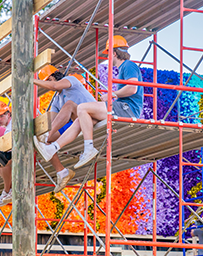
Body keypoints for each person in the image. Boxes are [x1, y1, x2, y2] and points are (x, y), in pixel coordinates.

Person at [34, 35, 143, 169]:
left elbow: (132, 88)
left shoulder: (128, 65)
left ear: (114, 53)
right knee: (79, 119)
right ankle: (53, 148)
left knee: (82, 108)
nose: (108, 57)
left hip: (127, 108)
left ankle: (89, 148)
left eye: (108, 53)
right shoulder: (124, 68)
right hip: (121, 107)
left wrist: (112, 94)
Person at [33, 65, 96, 192]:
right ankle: (62, 172)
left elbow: (55, 86)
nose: (49, 87)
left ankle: (47, 136)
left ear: (52, 77)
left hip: (92, 115)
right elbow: (52, 119)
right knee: (44, 140)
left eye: (48, 81)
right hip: (76, 122)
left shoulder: (71, 80)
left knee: (69, 105)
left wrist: (31, 80)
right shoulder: (57, 99)